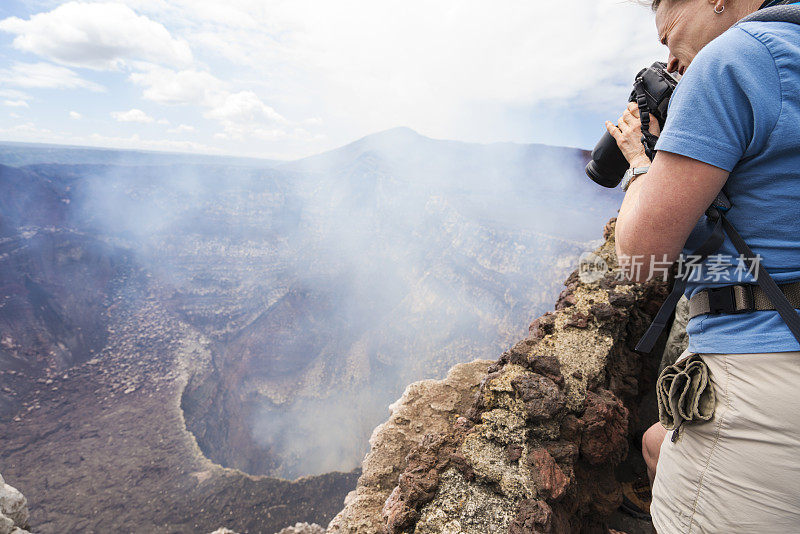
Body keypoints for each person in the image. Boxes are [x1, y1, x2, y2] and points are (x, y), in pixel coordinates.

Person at [607, 0, 800, 531]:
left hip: (762, 375)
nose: (669, 62)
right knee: (656, 442)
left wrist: (642, 164)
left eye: (669, 38)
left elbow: (640, 259)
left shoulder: (733, 60)